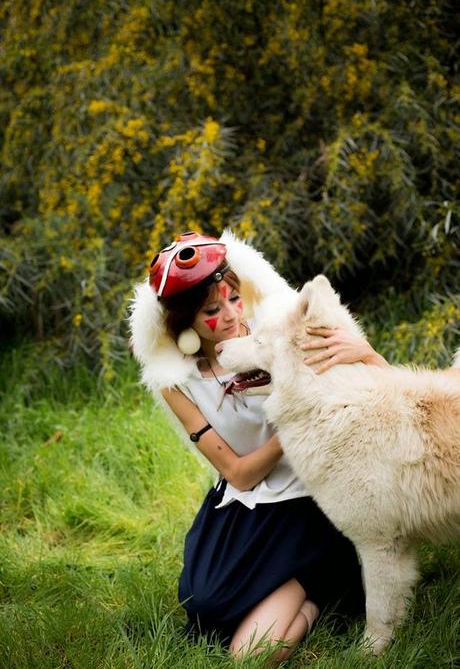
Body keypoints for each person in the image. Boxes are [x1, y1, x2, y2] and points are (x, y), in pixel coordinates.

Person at [129, 230, 388, 664]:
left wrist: (365, 352)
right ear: (185, 323)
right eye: (213, 309)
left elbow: (382, 393)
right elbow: (240, 474)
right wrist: (299, 423)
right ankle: (314, 599)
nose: (231, 315)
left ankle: (319, 589)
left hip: (309, 503)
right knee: (206, 607)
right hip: (244, 503)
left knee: (251, 655)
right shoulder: (177, 381)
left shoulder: (278, 336)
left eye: (234, 298)